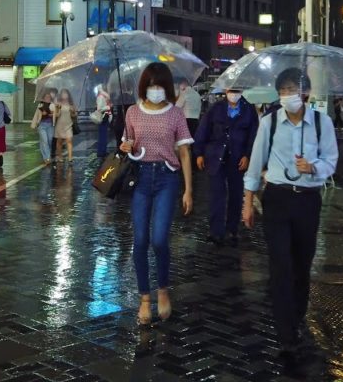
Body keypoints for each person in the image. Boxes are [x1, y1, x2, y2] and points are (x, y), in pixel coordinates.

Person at [242, 68, 337, 358]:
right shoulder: (270, 123)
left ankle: (296, 316)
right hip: (277, 199)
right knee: (280, 263)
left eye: (293, 90)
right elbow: (256, 163)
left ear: (305, 93)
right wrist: (247, 202)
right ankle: (286, 330)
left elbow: (331, 160)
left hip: (308, 200)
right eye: (283, 91)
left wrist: (314, 167)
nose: (288, 96)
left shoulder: (322, 123)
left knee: (301, 264)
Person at [120, 62, 194, 325]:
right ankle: (144, 299)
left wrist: (188, 190)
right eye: (151, 85)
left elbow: (184, 152)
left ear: (167, 87)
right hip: (140, 178)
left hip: (167, 177)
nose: (155, 90)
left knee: (160, 239)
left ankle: (163, 290)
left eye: (160, 85)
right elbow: (127, 144)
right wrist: (126, 145)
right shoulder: (131, 112)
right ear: (144, 87)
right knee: (140, 240)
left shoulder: (175, 114)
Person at [194, 88, 258, 247]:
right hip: (215, 157)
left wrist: (248, 155)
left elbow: (253, 135)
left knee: (236, 194)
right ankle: (215, 231)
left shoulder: (249, 110)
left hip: (238, 159)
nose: (234, 93)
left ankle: (232, 229)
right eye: (231, 90)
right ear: (225, 90)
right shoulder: (215, 108)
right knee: (217, 194)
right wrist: (199, 153)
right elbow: (203, 130)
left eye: (237, 90)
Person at [31, 91, 56, 166]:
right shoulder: (40, 105)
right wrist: (34, 124)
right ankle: (47, 158)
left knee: (49, 140)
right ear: (44, 98)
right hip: (41, 125)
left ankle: (46, 155)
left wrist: (52, 114)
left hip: (50, 125)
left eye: (49, 97)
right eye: (46, 97)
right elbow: (36, 115)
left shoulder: (53, 105)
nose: (47, 98)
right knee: (44, 141)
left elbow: (56, 114)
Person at [53, 89, 77, 162]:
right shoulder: (58, 104)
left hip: (68, 125)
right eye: (63, 94)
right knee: (59, 141)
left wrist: (73, 112)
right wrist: (58, 109)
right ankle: (60, 156)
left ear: (68, 95)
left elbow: (75, 115)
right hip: (60, 125)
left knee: (69, 140)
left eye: (66, 93)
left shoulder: (71, 104)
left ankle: (70, 157)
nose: (64, 95)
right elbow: (56, 115)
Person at [94, 84, 112, 158]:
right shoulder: (101, 97)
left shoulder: (102, 97)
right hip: (103, 117)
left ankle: (102, 151)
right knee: (103, 135)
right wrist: (108, 107)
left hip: (104, 117)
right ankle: (101, 152)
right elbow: (99, 109)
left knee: (103, 135)